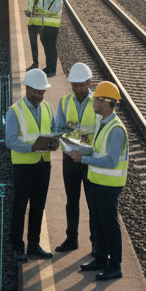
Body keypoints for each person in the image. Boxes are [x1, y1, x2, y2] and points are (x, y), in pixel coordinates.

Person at [66, 81, 127, 280]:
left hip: (109, 186)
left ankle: (115, 265)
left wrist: (83, 159)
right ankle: (101, 258)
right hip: (98, 182)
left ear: (109, 103)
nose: (95, 102)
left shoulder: (116, 129)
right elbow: (97, 149)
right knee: (100, 223)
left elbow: (110, 160)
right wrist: (81, 151)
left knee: (110, 225)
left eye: (99, 100)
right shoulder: (104, 123)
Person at [5, 68, 60, 259]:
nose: (41, 95)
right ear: (27, 89)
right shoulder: (14, 111)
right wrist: (33, 147)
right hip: (23, 168)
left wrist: (55, 142)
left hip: (44, 165)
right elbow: (10, 141)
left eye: (43, 92)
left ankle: (34, 245)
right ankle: (17, 247)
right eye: (37, 92)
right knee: (20, 207)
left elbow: (52, 130)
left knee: (38, 206)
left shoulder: (46, 107)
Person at [54, 63, 96, 253]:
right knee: (72, 201)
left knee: (93, 203)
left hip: (90, 161)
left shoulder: (98, 102)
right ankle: (72, 239)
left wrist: (76, 133)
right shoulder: (64, 102)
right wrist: (70, 148)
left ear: (89, 82)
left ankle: (96, 246)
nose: (78, 89)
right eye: (74, 85)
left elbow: (100, 133)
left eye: (81, 85)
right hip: (70, 159)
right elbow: (59, 129)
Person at [36, 0, 64, 77]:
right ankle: (48, 67)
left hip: (53, 27)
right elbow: (39, 8)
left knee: (52, 48)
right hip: (44, 26)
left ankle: (53, 69)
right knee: (46, 47)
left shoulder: (58, 1)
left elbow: (52, 13)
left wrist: (42, 13)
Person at [25, 0, 45, 70]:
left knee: (46, 44)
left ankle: (49, 65)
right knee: (33, 44)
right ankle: (35, 63)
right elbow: (29, 9)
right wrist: (28, 13)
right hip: (32, 25)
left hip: (42, 25)